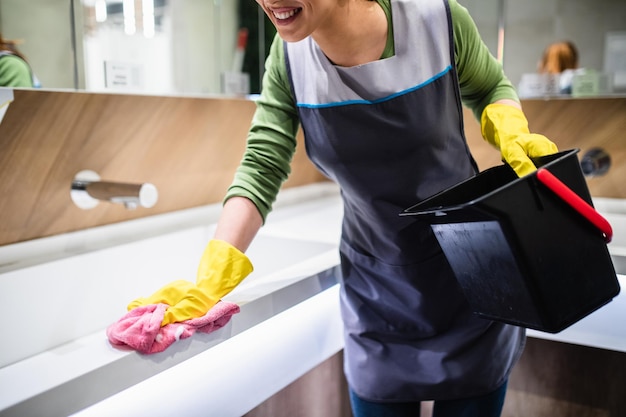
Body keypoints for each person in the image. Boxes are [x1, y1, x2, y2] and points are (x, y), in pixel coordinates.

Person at [129, 1, 558, 416]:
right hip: (376, 293)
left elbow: (489, 87)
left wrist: (510, 128)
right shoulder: (290, 59)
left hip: (473, 281)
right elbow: (262, 163)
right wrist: (211, 275)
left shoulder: (436, 20)